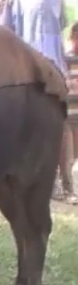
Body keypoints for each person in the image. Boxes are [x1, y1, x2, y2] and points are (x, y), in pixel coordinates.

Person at [60, 22, 78, 204]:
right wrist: (70, 84)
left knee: (75, 157)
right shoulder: (65, 59)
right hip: (66, 114)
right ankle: (67, 190)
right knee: (67, 156)